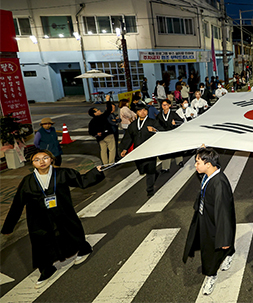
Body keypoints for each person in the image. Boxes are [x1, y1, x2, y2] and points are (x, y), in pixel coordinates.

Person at [1, 150, 105, 289]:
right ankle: (47, 269)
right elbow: (17, 204)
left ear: (51, 160)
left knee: (72, 232)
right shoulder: (27, 181)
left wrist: (96, 172)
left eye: (45, 158)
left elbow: (82, 181)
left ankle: (84, 250)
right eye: (37, 159)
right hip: (39, 219)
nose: (42, 161)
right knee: (40, 243)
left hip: (63, 212)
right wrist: (9, 227)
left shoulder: (63, 173)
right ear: (32, 163)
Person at [183, 147, 236, 296]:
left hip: (214, 223)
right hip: (204, 216)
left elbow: (223, 214)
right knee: (208, 245)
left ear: (208, 164)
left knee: (209, 252)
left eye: (198, 162)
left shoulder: (219, 184)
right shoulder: (210, 174)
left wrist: (224, 237)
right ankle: (229, 252)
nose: (195, 165)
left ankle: (211, 275)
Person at [119, 104, 163, 197]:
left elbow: (162, 132)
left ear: (147, 111)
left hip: (150, 151)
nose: (142, 112)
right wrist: (124, 149)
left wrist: (154, 130)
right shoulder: (133, 125)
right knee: (141, 169)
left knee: (149, 171)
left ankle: (149, 190)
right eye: (140, 111)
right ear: (137, 112)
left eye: (144, 110)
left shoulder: (153, 122)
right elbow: (128, 137)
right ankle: (155, 172)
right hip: (138, 151)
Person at [156, 99, 183, 171]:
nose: (164, 106)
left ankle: (179, 161)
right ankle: (165, 167)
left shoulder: (173, 114)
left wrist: (175, 124)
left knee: (176, 148)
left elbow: (181, 122)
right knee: (166, 150)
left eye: (166, 105)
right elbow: (156, 124)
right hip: (164, 134)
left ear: (169, 105)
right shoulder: (160, 115)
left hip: (173, 133)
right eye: (162, 105)